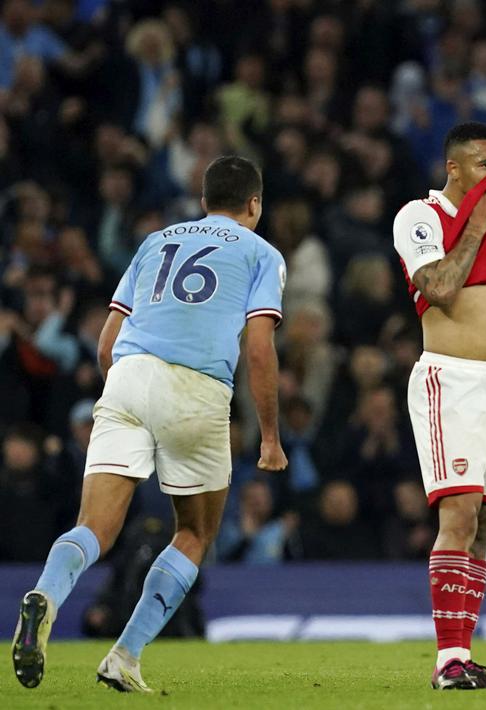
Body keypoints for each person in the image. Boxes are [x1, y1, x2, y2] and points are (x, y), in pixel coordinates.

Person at [11, 155, 287, 692]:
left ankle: (45, 594)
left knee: (95, 525)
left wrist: (128, 392)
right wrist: (271, 437)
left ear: (205, 201)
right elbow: (259, 347)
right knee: (195, 531)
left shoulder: (155, 241)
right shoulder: (262, 253)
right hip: (197, 388)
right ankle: (124, 656)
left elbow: (107, 343)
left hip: (128, 377)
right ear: (254, 204)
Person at [391, 121, 486, 690]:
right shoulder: (420, 217)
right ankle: (447, 662)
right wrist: (480, 225)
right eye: (485, 164)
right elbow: (437, 287)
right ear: (453, 168)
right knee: (456, 515)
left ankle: (462, 654)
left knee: (481, 522)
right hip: (447, 378)